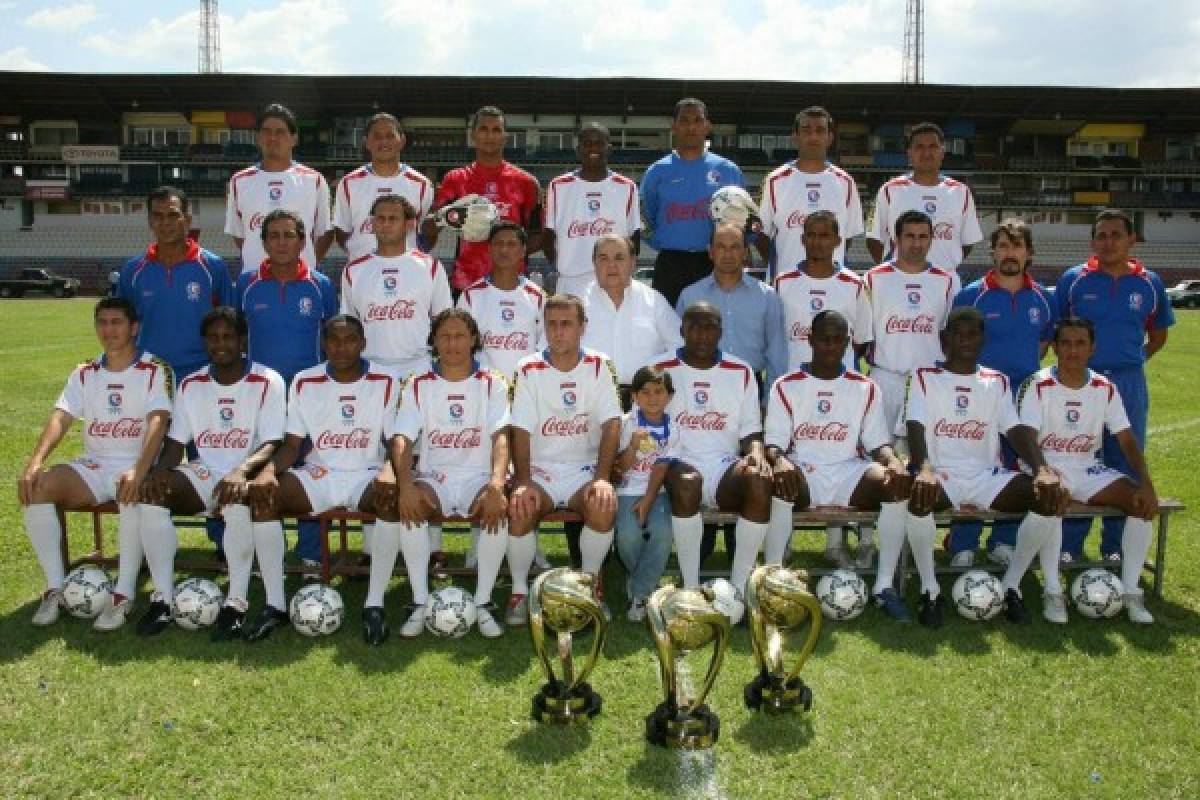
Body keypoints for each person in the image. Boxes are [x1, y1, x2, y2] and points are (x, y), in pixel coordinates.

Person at [897, 307, 1066, 627]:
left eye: (972, 334)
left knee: (1047, 495)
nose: (965, 341)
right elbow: (915, 423)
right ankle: (930, 590)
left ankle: (1012, 585)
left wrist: (1041, 467)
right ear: (944, 340)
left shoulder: (996, 381)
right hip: (942, 473)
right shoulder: (923, 376)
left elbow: (1014, 429)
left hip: (986, 476)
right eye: (957, 334)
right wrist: (924, 467)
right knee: (919, 495)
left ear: (982, 339)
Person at [17, 298, 172, 630]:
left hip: (135, 465)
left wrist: (140, 469)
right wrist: (35, 461)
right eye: (102, 322)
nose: (108, 329)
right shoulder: (84, 372)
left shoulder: (154, 369)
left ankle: (123, 592)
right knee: (37, 488)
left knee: (131, 491)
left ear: (134, 328)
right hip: (95, 465)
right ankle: (55, 588)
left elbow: (158, 421)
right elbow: (61, 416)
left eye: (117, 322)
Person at [244, 316, 397, 641]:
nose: (341, 348)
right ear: (323, 344)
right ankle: (275, 604)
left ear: (363, 343)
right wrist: (268, 472)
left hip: (365, 473)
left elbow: (395, 441)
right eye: (333, 340)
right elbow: (292, 445)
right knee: (264, 496)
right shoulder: (304, 380)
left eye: (350, 340)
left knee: (391, 498)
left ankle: (374, 604)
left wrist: (389, 470)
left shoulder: (387, 380)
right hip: (321, 474)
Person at [141, 307, 286, 639]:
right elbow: (176, 442)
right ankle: (162, 599)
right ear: (204, 342)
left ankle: (235, 604)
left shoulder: (267, 380)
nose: (220, 344)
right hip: (205, 471)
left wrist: (241, 472)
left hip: (248, 471)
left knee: (235, 502)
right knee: (152, 497)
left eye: (228, 336)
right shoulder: (192, 384)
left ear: (243, 340)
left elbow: (273, 442)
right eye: (213, 337)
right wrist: (161, 470)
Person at [380, 309, 512, 642]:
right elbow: (402, 439)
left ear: (473, 340)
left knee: (496, 507)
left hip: (478, 476)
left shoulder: (493, 382)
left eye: (459, 336)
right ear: (434, 341)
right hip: (436, 477)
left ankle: (483, 602)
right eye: (444, 336)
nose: (452, 343)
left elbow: (501, 437)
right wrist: (405, 482)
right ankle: (420, 600)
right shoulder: (419, 384)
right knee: (411, 505)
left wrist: (497, 482)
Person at [1018, 318, 1159, 623]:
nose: (1072, 350)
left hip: (1086, 466)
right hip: (1044, 464)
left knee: (1139, 503)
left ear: (1092, 348)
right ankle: (1053, 591)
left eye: (1080, 343)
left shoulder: (1104, 387)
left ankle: (1132, 591)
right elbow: (1026, 436)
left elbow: (1126, 439)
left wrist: (1145, 483)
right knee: (1053, 496)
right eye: (1065, 343)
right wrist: (1044, 471)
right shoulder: (1037, 384)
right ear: (1054, 347)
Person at [1054, 209, 1173, 562]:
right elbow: (1058, 330)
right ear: (1092, 242)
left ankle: (1115, 548)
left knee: (1125, 460)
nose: (1108, 242)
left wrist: (1131, 361)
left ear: (1131, 240)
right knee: (1077, 458)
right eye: (1101, 236)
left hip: (1127, 381)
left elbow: (1159, 335)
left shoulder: (1150, 282)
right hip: (1081, 382)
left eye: (1115, 235)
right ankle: (1069, 548)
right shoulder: (1073, 280)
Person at [763, 311, 909, 572]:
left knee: (894, 483)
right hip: (804, 472)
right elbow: (774, 444)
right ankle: (774, 573)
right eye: (823, 339)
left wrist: (893, 462)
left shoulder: (866, 387)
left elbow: (877, 444)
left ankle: (885, 584)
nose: (830, 346)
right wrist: (779, 460)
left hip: (848, 472)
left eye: (838, 340)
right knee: (780, 480)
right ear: (810, 340)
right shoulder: (786, 385)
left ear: (848, 342)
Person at [508, 294, 623, 624]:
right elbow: (521, 428)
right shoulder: (527, 368)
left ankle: (589, 587)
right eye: (552, 325)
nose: (558, 332)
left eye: (567, 324)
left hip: (582, 470)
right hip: (541, 470)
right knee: (520, 504)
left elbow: (612, 423)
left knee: (603, 503)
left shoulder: (600, 365)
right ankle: (518, 592)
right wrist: (524, 480)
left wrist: (602, 477)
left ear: (582, 327)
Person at [948, 219, 1055, 567]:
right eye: (1004, 246)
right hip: (979, 393)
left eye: (1017, 246)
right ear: (992, 252)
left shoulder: (1042, 298)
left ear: (1029, 253)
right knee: (974, 463)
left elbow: (1042, 344)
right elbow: (956, 342)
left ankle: (1003, 539)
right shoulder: (972, 294)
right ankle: (963, 541)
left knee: (1018, 465)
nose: (1010, 253)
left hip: (1023, 397)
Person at [236, 209, 338, 573]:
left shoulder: (320, 285)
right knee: (262, 470)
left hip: (308, 397)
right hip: (261, 399)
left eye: (289, 235)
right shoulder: (246, 284)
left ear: (302, 241)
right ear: (263, 242)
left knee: (309, 470)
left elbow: (334, 340)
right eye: (274, 236)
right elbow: (234, 338)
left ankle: (310, 552)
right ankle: (266, 551)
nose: (281, 242)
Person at [651, 303, 771, 606]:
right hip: (675, 464)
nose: (702, 335)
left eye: (710, 327)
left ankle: (740, 589)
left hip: (722, 466)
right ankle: (691, 589)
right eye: (694, 327)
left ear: (720, 331)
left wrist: (756, 453)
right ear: (682, 331)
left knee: (758, 479)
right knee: (689, 480)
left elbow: (751, 432)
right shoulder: (658, 369)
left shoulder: (741, 371)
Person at [118, 186, 234, 389]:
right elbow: (123, 327)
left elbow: (231, 324)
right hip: (149, 375)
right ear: (150, 222)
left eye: (173, 215)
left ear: (187, 220)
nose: (165, 223)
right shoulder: (133, 270)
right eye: (158, 216)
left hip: (202, 375)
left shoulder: (213, 266)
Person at [863, 210, 961, 448]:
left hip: (929, 382)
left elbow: (950, 335)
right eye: (909, 236)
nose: (916, 243)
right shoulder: (873, 278)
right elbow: (862, 332)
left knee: (926, 456)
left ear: (931, 240)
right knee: (879, 453)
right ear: (896, 239)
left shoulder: (947, 281)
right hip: (885, 378)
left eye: (923, 237)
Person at [421, 106, 541, 292]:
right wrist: (444, 216)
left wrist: (509, 251)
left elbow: (538, 234)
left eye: (496, 130)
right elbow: (430, 227)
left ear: (505, 136)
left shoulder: (525, 182)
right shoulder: (456, 179)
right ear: (473, 135)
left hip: (512, 284)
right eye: (483, 129)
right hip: (466, 283)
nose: (489, 136)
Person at [640, 98, 745, 307]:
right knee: (669, 332)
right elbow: (645, 217)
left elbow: (745, 219)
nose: (691, 127)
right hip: (670, 262)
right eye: (684, 120)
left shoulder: (727, 170)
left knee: (714, 329)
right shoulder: (657, 171)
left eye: (698, 120)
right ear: (674, 125)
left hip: (713, 263)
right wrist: (660, 240)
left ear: (707, 126)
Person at [340, 194, 452, 381]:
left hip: (419, 367)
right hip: (370, 366)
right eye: (380, 219)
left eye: (393, 219)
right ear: (372, 224)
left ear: (409, 225)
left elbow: (443, 319)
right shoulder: (354, 270)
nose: (385, 224)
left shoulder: (430, 266)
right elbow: (350, 325)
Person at [676, 222, 787, 393]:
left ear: (745, 251)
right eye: (721, 247)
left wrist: (769, 400)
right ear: (710, 251)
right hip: (699, 386)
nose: (728, 254)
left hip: (751, 386)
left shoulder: (767, 297)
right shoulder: (690, 296)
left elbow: (776, 355)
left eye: (735, 247)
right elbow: (678, 347)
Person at [757, 106, 864, 276]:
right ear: (795, 137)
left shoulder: (845, 182)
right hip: (786, 285)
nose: (813, 136)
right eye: (806, 130)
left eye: (820, 131)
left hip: (831, 285)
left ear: (830, 138)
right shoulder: (775, 180)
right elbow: (761, 234)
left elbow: (847, 237)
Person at [225, 103, 333, 272]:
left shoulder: (314, 180)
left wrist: (306, 265)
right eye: (266, 131)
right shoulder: (239, 181)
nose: (272, 138)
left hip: (301, 281)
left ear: (294, 138)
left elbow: (325, 233)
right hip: (256, 280)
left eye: (280, 132)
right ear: (258, 137)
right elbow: (239, 235)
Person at [867, 122, 982, 272]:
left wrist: (945, 267)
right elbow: (873, 238)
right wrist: (894, 273)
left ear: (942, 152)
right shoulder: (889, 190)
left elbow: (967, 243)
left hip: (945, 283)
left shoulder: (961, 192)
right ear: (909, 153)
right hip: (900, 281)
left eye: (933, 147)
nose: (926, 153)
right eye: (919, 147)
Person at [543, 122, 642, 298]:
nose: (593, 148)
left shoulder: (627, 187)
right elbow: (548, 235)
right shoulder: (558, 186)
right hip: (571, 280)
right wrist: (561, 266)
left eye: (599, 143)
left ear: (609, 148)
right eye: (587, 143)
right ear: (578, 149)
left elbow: (634, 237)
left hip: (612, 280)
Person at [614, 366, 680, 621]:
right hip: (627, 490)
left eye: (659, 392)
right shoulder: (625, 423)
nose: (653, 398)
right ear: (635, 396)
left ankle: (640, 593)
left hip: (658, 490)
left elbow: (662, 467)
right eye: (646, 392)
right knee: (628, 537)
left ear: (669, 396)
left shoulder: (673, 427)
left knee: (663, 533)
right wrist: (632, 446)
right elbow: (620, 467)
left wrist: (649, 499)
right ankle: (644, 579)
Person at [581, 233, 683, 388]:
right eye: (603, 259)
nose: (611, 265)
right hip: (590, 399)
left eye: (619, 258)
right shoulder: (577, 303)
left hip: (644, 401)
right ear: (594, 263)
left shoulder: (655, 302)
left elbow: (680, 348)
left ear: (633, 262)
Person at [774, 211, 871, 373]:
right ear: (803, 240)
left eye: (825, 236)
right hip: (793, 379)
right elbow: (774, 338)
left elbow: (861, 340)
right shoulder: (782, 282)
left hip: (841, 382)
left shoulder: (854, 284)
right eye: (811, 235)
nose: (817, 242)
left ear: (838, 241)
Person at [333, 112, 433, 259]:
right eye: (377, 136)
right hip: (361, 272)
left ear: (402, 140)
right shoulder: (348, 183)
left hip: (407, 271)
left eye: (390, 136)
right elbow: (342, 233)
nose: (384, 142)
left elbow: (426, 232)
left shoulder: (421, 184)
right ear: (366, 142)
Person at [457, 222, 546, 379]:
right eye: (498, 244)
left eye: (511, 244)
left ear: (523, 250)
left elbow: (544, 346)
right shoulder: (471, 296)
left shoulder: (537, 296)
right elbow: (462, 348)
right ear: (489, 250)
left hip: (525, 387)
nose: (504, 250)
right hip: (484, 388)